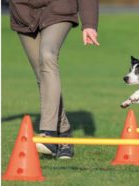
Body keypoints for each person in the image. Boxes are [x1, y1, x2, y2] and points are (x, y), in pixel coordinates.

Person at [9, 0, 99, 159]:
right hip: (23, 13)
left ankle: (48, 134)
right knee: (42, 75)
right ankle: (64, 135)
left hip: (58, 9)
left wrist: (89, 23)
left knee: (48, 55)